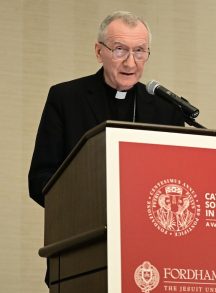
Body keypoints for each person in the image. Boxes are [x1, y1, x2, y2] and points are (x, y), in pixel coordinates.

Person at [28, 11, 185, 207]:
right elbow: (40, 179)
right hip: (83, 226)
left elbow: (180, 181)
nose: (130, 62)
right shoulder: (66, 99)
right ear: (98, 52)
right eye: (119, 49)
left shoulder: (167, 109)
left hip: (144, 229)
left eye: (139, 51)